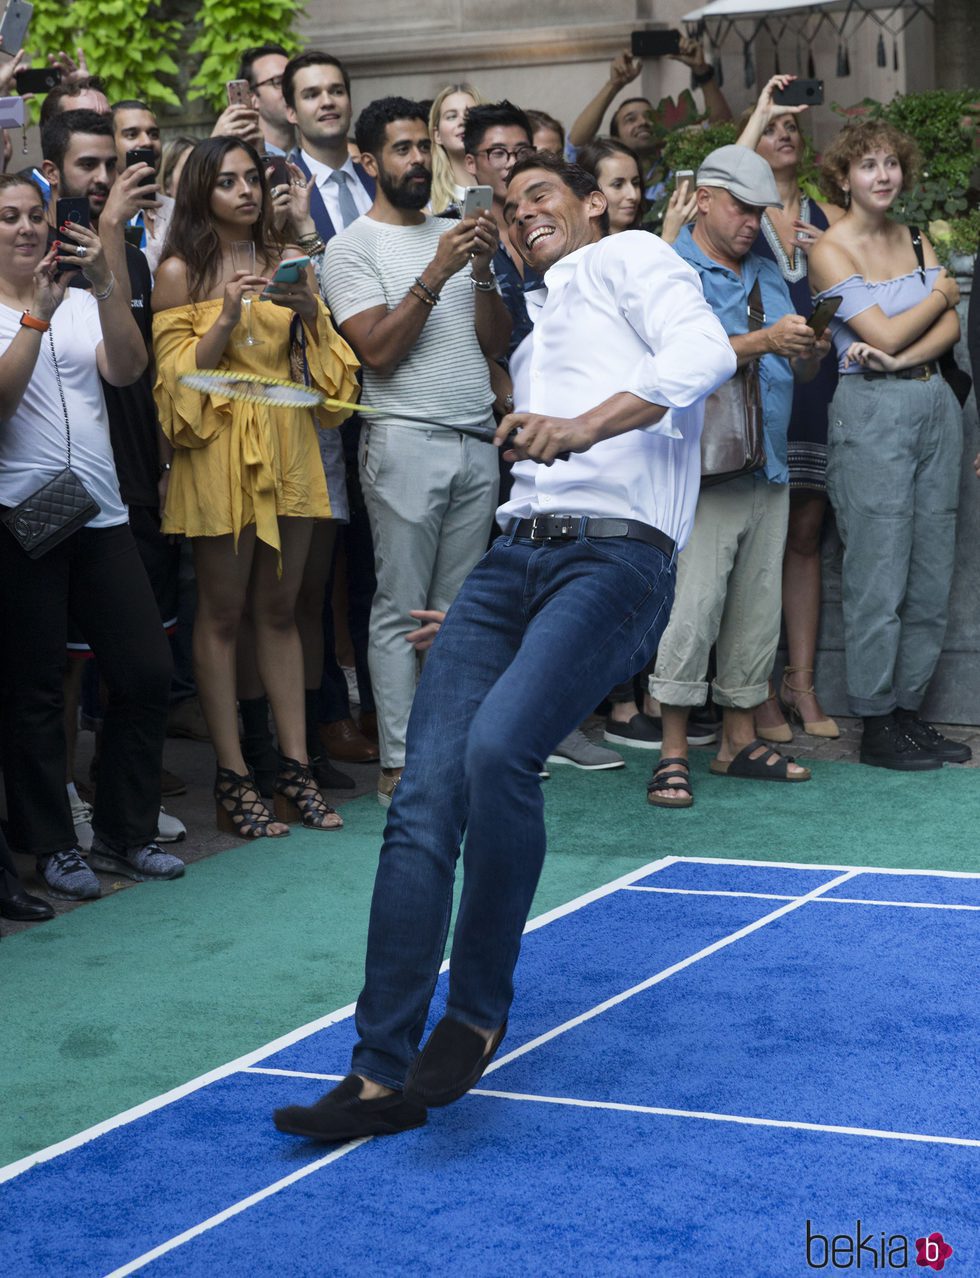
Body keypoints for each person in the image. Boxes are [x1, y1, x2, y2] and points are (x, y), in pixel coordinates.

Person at [273, 150, 735, 1143]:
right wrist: (490, 612)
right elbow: (537, 478)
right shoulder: (531, 334)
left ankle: (477, 1011)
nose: (522, 213)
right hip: (512, 568)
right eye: (506, 203)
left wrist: (579, 428)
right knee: (420, 800)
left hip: (615, 563)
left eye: (541, 196)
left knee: (495, 757)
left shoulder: (631, 264)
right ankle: (375, 1074)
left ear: (593, 204)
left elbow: (702, 361)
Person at [151, 138, 360, 837]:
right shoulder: (180, 270)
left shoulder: (283, 262)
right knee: (220, 614)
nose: (246, 190)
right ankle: (234, 774)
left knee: (281, 608)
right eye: (228, 181)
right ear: (200, 192)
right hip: (216, 449)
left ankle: (293, 768)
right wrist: (229, 318)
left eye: (252, 179)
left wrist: (306, 311)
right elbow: (176, 388)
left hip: (289, 445)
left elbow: (332, 380)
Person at [321, 96, 510, 809]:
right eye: (400, 149)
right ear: (368, 161)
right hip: (403, 439)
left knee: (459, 611)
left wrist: (483, 269)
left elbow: (491, 344)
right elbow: (377, 350)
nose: (416, 161)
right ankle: (399, 762)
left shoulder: (456, 234)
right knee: (401, 607)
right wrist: (435, 271)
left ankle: (453, 751)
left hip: (473, 437)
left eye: (422, 147)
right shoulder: (351, 248)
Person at [0, 172, 182, 899]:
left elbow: (130, 368)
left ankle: (122, 833)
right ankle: (49, 846)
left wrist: (106, 286)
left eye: (33, 215)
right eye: (7, 217)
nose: (24, 228)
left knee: (144, 672)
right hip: (21, 517)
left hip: (101, 511)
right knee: (37, 689)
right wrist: (35, 321)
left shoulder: (82, 301)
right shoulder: (30, 311)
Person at [647, 146, 829, 807]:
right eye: (741, 208)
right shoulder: (670, 268)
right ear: (703, 199)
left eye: (760, 211)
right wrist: (765, 342)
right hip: (706, 469)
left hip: (769, 463)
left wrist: (809, 350)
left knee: (756, 612)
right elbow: (677, 360)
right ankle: (671, 753)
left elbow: (793, 368)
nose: (753, 222)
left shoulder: (767, 268)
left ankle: (736, 742)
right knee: (693, 611)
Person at [40, 108, 187, 840]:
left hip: (121, 485)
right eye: (86, 167)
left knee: (141, 666)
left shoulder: (125, 255)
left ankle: (121, 813)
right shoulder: (37, 256)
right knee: (56, 673)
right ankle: (59, 808)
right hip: (38, 498)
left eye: (109, 164)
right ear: (53, 173)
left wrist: (163, 462)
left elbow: (135, 370)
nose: (101, 178)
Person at [808, 120, 969, 770]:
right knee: (878, 567)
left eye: (891, 164)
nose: (882, 175)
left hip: (935, 403)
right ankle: (877, 722)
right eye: (867, 165)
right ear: (843, 177)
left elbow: (944, 330)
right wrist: (938, 294)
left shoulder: (917, 236)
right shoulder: (828, 248)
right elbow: (880, 330)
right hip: (869, 412)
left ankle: (909, 713)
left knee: (932, 566)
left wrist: (907, 346)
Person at [736, 76, 844, 744]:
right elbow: (725, 173)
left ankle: (800, 682)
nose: (782, 133)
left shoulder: (828, 210)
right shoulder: (739, 208)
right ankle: (754, 689)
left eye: (791, 127)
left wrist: (827, 254)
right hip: (761, 382)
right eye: (773, 128)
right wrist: (759, 111)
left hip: (820, 380)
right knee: (762, 537)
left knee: (805, 534)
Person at [282, 50, 374, 246]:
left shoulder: (381, 179)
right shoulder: (284, 192)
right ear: (291, 113)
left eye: (337, 91)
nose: (327, 102)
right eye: (311, 95)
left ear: (350, 105)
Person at [111, 100, 172, 275]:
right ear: (110, 144)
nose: (147, 142)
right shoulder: (99, 214)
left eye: (153, 134)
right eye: (132, 134)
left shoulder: (180, 210)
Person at [428, 82, 483, 214]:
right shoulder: (427, 201)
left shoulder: (502, 186)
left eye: (470, 114)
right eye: (452, 116)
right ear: (437, 135)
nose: (462, 121)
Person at [239, 43, 293, 157]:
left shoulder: (317, 157)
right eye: (278, 82)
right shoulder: (244, 161)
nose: (290, 89)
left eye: (292, 80)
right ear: (252, 98)